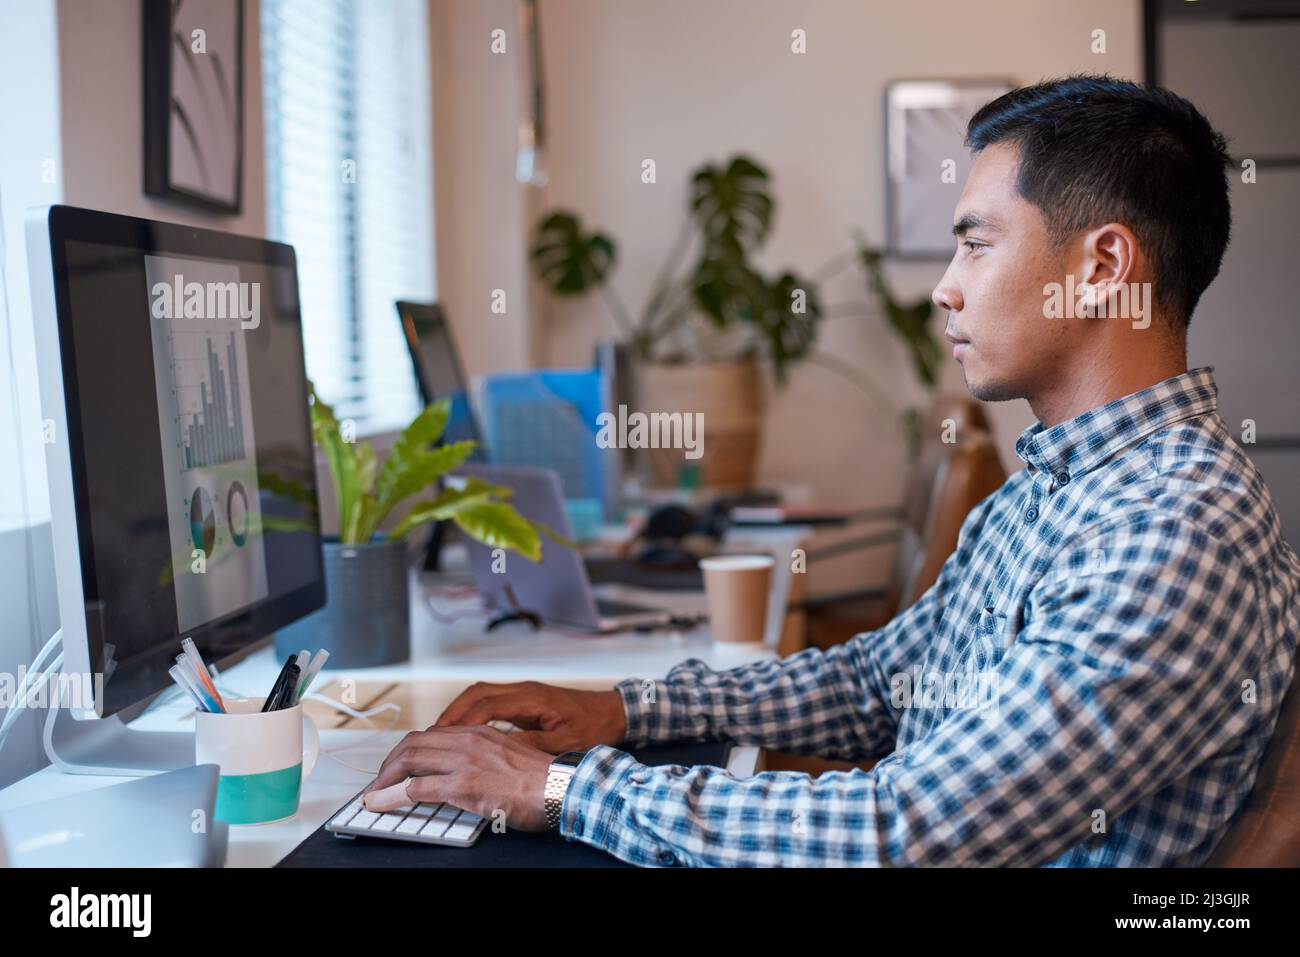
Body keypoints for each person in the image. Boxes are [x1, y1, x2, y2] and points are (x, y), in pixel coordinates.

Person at [364, 75, 1300, 866]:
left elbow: (908, 828)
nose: (947, 285)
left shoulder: (1173, 526)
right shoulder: (1058, 488)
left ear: (1101, 267)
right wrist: (620, 709)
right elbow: (874, 686)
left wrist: (564, 789)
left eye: (976, 243)